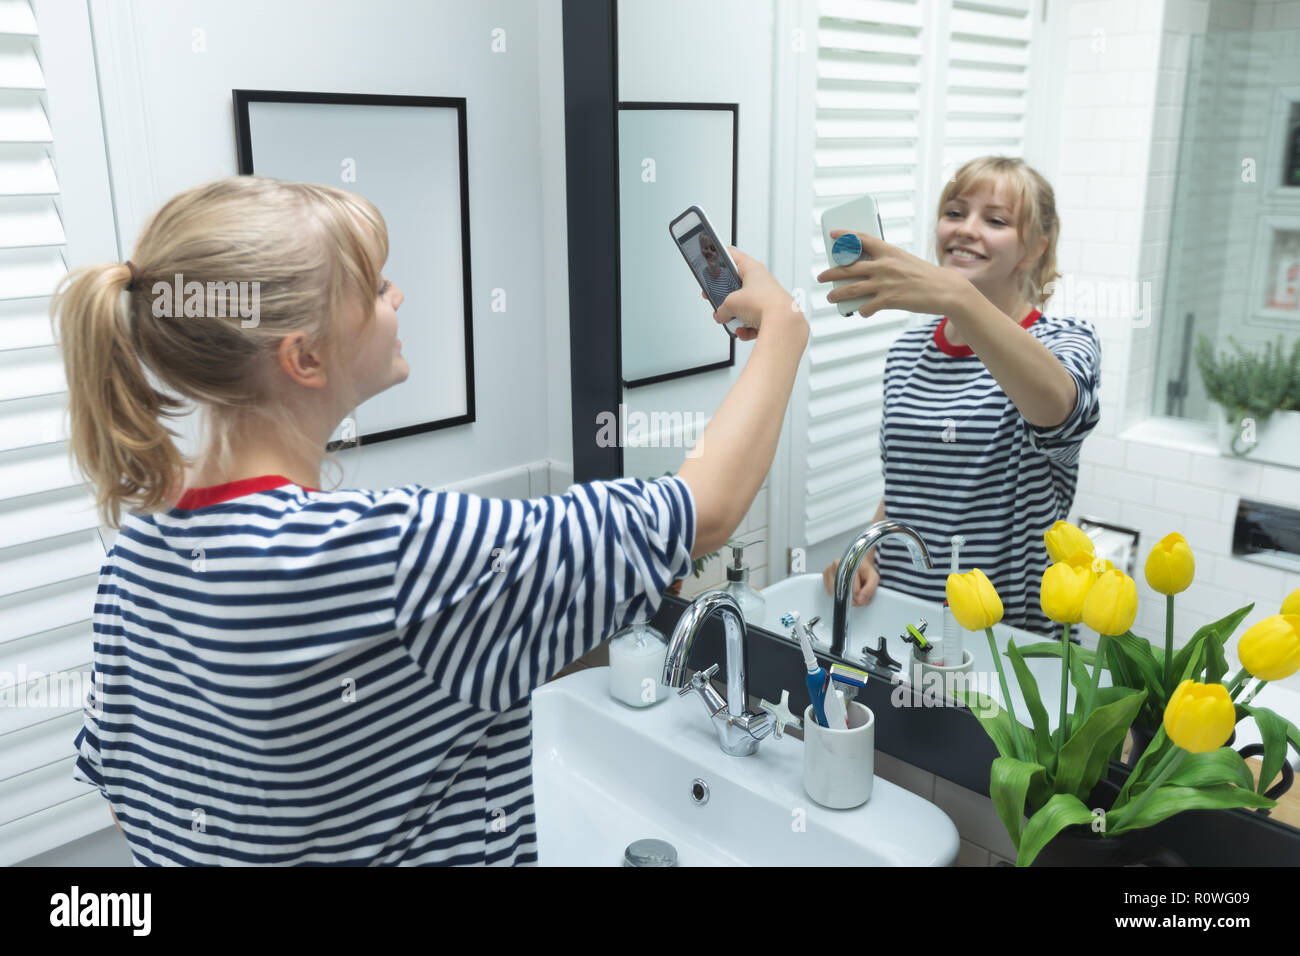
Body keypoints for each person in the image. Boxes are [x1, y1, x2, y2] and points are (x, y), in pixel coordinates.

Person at [56, 174, 807, 865]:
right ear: (305, 358)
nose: (399, 297)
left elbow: (131, 803)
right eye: (376, 286)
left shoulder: (138, 557)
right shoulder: (398, 559)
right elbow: (701, 512)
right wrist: (782, 329)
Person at [819, 156, 1101, 636]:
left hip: (1009, 642)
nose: (966, 230)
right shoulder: (908, 351)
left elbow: (1059, 410)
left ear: (1034, 248)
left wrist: (959, 298)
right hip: (902, 622)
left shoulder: (1065, 342)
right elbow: (910, 481)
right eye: (954, 212)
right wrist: (866, 546)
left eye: (995, 220)